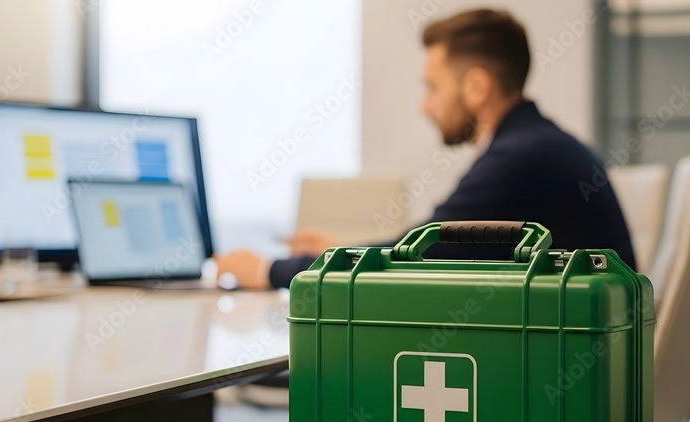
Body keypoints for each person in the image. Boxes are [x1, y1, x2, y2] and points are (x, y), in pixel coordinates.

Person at [216, 9, 635, 289]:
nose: (425, 104)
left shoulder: (522, 157)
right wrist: (334, 253)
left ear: (475, 86)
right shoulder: (537, 144)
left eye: (433, 87)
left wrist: (266, 270)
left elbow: (414, 257)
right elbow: (427, 248)